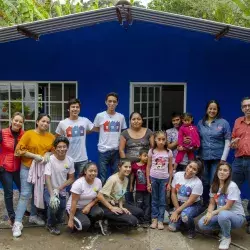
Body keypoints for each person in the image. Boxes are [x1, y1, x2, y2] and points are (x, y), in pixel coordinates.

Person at [12, 113, 55, 237]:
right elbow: (18, 150)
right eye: (43, 121)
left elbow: (54, 150)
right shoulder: (29, 134)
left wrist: (48, 153)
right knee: (25, 194)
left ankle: (33, 216)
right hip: (27, 168)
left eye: (47, 122)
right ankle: (17, 223)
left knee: (38, 193)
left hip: (41, 170)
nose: (45, 124)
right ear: (37, 122)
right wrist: (33, 155)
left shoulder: (51, 137)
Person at [198, 163, 245, 250]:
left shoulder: (232, 186)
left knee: (223, 214)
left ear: (229, 173)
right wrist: (208, 213)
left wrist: (212, 213)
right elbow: (212, 203)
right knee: (202, 224)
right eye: (220, 170)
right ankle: (223, 229)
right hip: (221, 215)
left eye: (225, 170)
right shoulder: (214, 186)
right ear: (216, 172)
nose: (222, 172)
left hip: (237, 217)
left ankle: (226, 237)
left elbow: (228, 207)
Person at [197, 100, 231, 207]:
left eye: (214, 109)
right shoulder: (200, 123)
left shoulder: (223, 123)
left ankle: (216, 204)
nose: (212, 111)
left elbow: (228, 141)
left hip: (218, 158)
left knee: (214, 181)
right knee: (205, 181)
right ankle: (206, 203)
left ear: (217, 110)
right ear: (207, 109)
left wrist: (223, 158)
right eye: (210, 108)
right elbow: (197, 139)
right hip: (203, 157)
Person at [97, 158, 144, 229]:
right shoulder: (112, 179)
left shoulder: (126, 179)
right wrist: (112, 208)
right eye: (125, 167)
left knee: (139, 212)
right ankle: (106, 222)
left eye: (129, 167)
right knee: (133, 221)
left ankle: (116, 220)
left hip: (117, 204)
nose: (128, 169)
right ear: (119, 167)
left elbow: (121, 195)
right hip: (106, 206)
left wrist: (121, 207)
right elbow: (99, 196)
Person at [119, 112, 154, 203]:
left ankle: (145, 206)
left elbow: (153, 148)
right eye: (133, 119)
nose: (136, 121)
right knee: (128, 186)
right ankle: (130, 205)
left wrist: (149, 163)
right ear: (130, 121)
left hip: (144, 166)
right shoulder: (125, 133)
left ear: (142, 120)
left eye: (138, 119)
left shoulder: (148, 132)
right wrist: (126, 164)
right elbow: (121, 150)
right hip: (130, 165)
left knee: (145, 185)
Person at [93, 92, 127, 184]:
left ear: (117, 103)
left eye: (114, 101)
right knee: (102, 177)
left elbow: (123, 132)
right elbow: (96, 128)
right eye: (109, 101)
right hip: (103, 150)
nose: (112, 103)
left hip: (116, 150)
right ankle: (102, 197)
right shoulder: (100, 116)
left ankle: (114, 197)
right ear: (106, 102)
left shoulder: (121, 117)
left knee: (116, 176)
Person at [55, 98, 94, 178]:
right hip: (67, 157)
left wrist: (83, 133)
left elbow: (92, 129)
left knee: (82, 182)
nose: (75, 109)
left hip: (82, 159)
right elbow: (57, 138)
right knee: (66, 180)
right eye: (73, 107)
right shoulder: (63, 123)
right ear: (68, 109)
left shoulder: (85, 121)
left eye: (77, 107)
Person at [44, 136, 75, 235]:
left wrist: (59, 189)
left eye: (64, 146)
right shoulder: (51, 160)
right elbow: (47, 178)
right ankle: (50, 225)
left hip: (61, 190)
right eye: (59, 147)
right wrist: (52, 195)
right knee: (54, 205)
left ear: (67, 147)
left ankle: (55, 219)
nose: (62, 149)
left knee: (62, 208)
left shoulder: (70, 160)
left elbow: (71, 178)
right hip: (49, 189)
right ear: (55, 148)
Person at [168, 159, 204, 239]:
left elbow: (190, 201)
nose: (190, 170)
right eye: (190, 166)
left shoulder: (198, 183)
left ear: (197, 172)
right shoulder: (177, 175)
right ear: (186, 165)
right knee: (172, 228)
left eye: (194, 169)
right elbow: (173, 193)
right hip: (179, 204)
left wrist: (177, 212)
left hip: (193, 205)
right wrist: (177, 211)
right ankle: (183, 223)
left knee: (185, 215)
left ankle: (191, 230)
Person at [0, 112, 25, 225]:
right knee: (8, 193)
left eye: (20, 121)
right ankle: (12, 216)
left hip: (20, 167)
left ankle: (22, 211)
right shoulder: (3, 133)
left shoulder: (24, 135)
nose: (17, 123)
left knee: (24, 191)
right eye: (16, 120)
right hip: (5, 168)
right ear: (11, 120)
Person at [67, 162, 104, 234]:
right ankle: (75, 222)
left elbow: (98, 197)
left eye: (95, 171)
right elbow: (74, 202)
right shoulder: (79, 183)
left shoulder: (98, 181)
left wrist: (89, 206)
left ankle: (91, 225)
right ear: (85, 171)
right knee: (83, 225)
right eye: (90, 171)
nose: (93, 173)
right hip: (75, 208)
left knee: (100, 213)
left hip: (87, 206)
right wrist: (70, 220)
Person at [230, 96, 250, 234]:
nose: (247, 108)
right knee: (231, 188)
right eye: (245, 106)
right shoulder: (238, 121)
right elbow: (233, 141)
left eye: (249, 105)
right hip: (238, 160)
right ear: (241, 108)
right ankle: (230, 218)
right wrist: (233, 143)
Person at [146, 130, 173, 230]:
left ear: (166, 140)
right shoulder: (151, 151)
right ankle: (154, 219)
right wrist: (148, 182)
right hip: (153, 178)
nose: (161, 141)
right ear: (155, 140)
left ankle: (161, 220)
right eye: (159, 139)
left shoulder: (168, 152)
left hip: (164, 180)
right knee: (154, 200)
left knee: (162, 201)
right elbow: (148, 167)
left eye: (163, 139)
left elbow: (170, 168)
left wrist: (169, 183)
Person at [130, 148, 151, 226]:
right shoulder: (134, 166)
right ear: (139, 156)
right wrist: (131, 185)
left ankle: (146, 220)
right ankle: (139, 219)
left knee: (147, 204)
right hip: (138, 190)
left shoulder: (148, 166)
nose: (146, 158)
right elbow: (132, 176)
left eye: (147, 156)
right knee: (139, 204)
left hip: (147, 190)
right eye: (145, 156)